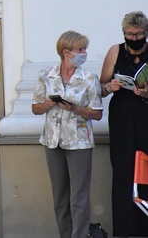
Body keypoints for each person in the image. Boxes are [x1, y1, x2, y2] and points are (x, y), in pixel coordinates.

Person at [32, 30, 103, 238]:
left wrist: (75, 109)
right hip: (52, 140)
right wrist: (48, 104)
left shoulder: (89, 78)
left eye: (84, 49)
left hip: (79, 142)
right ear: (66, 51)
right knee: (60, 197)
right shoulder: (46, 75)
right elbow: (35, 109)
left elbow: (97, 113)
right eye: (80, 49)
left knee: (78, 198)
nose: (84, 52)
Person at [100, 11, 148, 237]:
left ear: (145, 33)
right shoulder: (115, 51)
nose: (134, 37)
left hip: (145, 116)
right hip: (122, 119)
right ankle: (125, 229)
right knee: (123, 170)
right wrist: (110, 87)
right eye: (129, 33)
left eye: (138, 34)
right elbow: (100, 87)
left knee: (146, 169)